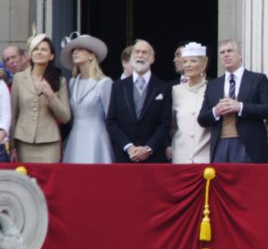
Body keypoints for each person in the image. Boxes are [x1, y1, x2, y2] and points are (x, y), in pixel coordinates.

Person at [198, 39, 268, 164]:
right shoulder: (213, 85)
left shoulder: (257, 79)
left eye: (230, 51)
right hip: (220, 144)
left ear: (240, 55)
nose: (225, 55)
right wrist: (216, 111)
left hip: (249, 144)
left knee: (249, 182)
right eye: (222, 52)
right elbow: (202, 119)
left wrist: (240, 107)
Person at [105, 38, 171, 164]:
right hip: (125, 156)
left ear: (152, 59)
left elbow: (165, 123)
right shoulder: (118, 86)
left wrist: (148, 148)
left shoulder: (163, 87)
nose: (140, 55)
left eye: (144, 52)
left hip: (153, 158)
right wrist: (128, 147)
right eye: (137, 52)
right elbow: (111, 121)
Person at [11, 34, 71, 163]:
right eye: (36, 49)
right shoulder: (19, 78)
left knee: (50, 181)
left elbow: (65, 117)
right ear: (30, 54)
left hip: (49, 142)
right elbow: (14, 114)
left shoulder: (59, 80)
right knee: (26, 180)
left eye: (44, 49)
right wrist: (12, 146)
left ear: (51, 56)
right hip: (24, 141)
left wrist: (50, 94)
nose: (39, 52)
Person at [60, 33, 112, 164]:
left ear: (91, 55)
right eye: (73, 50)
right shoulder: (72, 82)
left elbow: (110, 117)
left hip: (96, 138)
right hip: (75, 138)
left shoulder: (104, 82)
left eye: (80, 49)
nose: (75, 52)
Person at [170, 42, 211, 164]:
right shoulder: (175, 90)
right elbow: (169, 124)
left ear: (203, 64)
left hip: (205, 157)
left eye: (193, 61)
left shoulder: (213, 88)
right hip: (180, 157)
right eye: (185, 61)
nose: (188, 65)